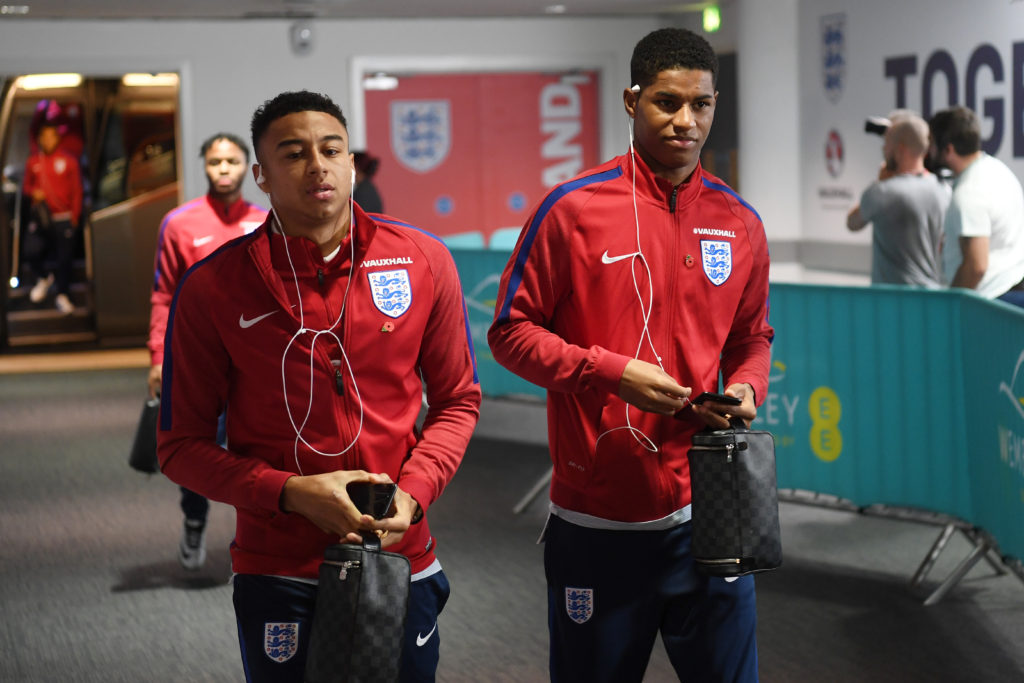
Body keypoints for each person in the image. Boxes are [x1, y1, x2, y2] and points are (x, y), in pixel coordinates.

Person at [157, 90, 480, 682]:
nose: (318, 165)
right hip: (279, 566)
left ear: (351, 163)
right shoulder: (213, 288)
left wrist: (415, 491)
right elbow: (180, 447)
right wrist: (289, 492)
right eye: (294, 153)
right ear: (261, 174)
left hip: (398, 557)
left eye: (332, 149)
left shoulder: (422, 260)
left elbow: (458, 399)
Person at [488, 28, 772, 683]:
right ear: (630, 99)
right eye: (667, 102)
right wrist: (611, 372)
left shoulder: (738, 220)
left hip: (713, 511)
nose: (686, 120)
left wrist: (750, 389)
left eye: (701, 105)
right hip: (599, 521)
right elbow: (509, 332)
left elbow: (752, 336)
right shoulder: (570, 210)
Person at [147, 132, 267, 570]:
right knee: (197, 447)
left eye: (232, 161)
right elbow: (163, 294)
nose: (223, 169)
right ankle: (195, 521)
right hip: (196, 358)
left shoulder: (267, 220)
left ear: (247, 168)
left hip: (256, 361)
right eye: (215, 161)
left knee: (259, 452)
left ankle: (258, 535)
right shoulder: (179, 223)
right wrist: (158, 356)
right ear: (204, 166)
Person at [928, 106, 1024, 304]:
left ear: (948, 149)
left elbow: (976, 266)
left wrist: (949, 306)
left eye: (932, 144)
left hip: (990, 303)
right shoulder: (998, 170)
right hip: (1011, 290)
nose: (929, 151)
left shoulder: (969, 193)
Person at [846, 110, 949, 287]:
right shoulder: (944, 190)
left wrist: (880, 181)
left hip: (892, 301)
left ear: (900, 149)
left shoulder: (883, 192)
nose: (883, 149)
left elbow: (852, 222)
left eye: (886, 144)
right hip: (931, 297)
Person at [23, 122, 83, 314]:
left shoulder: (69, 161)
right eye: (44, 136)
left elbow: (77, 190)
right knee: (31, 250)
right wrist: (34, 192)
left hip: (63, 217)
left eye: (52, 136)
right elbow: (25, 188)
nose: (48, 140)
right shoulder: (33, 162)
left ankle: (62, 294)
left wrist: (74, 216)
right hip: (41, 218)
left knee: (64, 258)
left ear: (57, 138)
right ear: (39, 139)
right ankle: (43, 278)